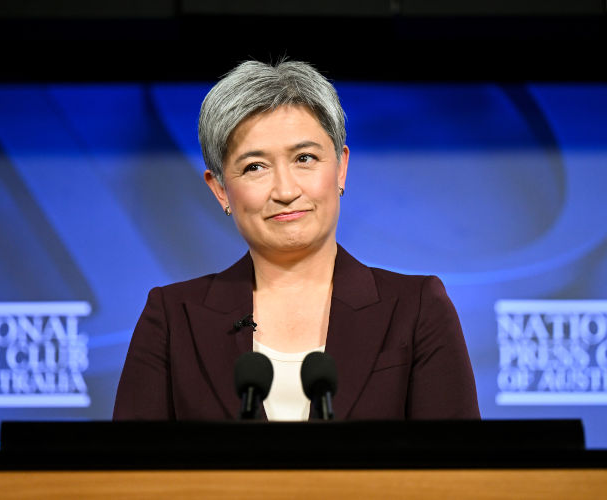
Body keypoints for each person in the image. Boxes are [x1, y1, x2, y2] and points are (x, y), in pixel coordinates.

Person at [113, 60, 479, 421]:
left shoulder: (417, 309)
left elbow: (459, 474)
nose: (286, 191)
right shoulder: (173, 318)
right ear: (221, 190)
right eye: (255, 166)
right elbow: (125, 477)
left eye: (305, 158)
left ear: (341, 168)